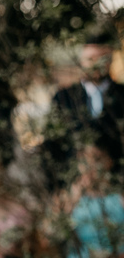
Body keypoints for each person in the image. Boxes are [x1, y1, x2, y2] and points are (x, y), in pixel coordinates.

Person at [50, 33, 124, 179]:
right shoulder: (63, 98)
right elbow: (55, 143)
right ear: (81, 60)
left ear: (110, 59)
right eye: (90, 59)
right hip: (77, 181)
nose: (96, 64)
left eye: (101, 58)